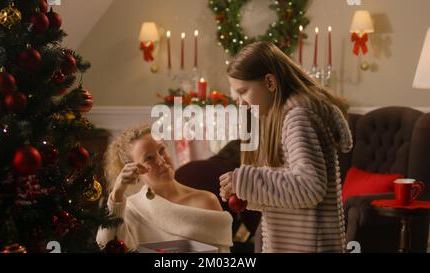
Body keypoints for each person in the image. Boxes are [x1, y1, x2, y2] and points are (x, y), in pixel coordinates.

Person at [219, 41, 353, 253]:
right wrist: (246, 191)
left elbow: (309, 187)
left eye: (243, 92)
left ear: (270, 83)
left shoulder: (297, 117)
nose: (240, 103)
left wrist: (245, 180)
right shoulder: (276, 117)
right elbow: (287, 190)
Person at [96, 124, 233, 252]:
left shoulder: (206, 200)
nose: (161, 161)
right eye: (149, 158)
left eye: (162, 150)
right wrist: (117, 193)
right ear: (133, 168)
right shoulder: (131, 209)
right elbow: (106, 244)